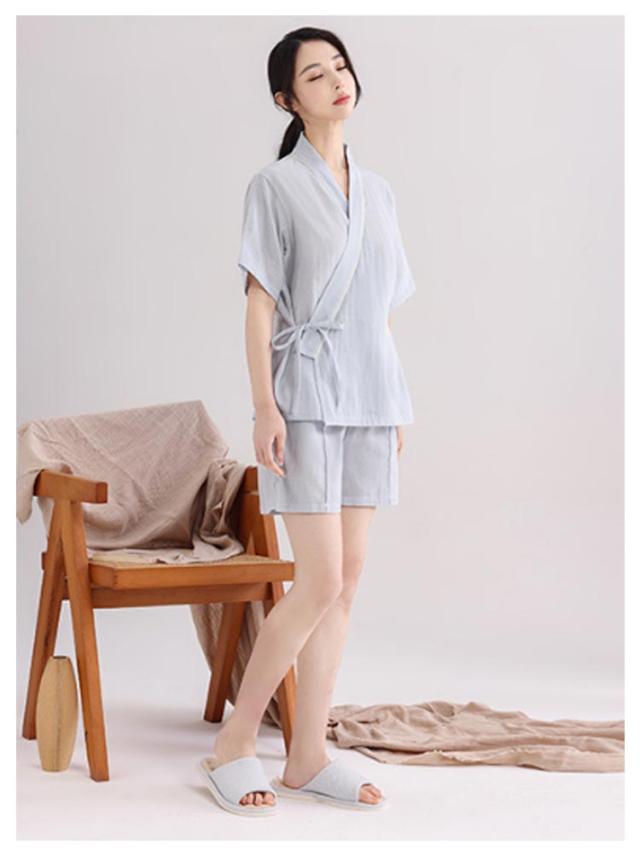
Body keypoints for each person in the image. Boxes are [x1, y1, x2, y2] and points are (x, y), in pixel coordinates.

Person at [199, 27, 416, 816]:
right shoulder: (275, 186)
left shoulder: (379, 192)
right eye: (316, 75)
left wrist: (396, 400)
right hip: (308, 397)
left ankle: (307, 754)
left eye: (341, 67)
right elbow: (260, 305)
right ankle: (233, 745)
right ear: (287, 99)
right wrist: (266, 405)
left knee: (347, 583)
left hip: (371, 398)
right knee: (318, 578)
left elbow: (380, 312)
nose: (336, 81)